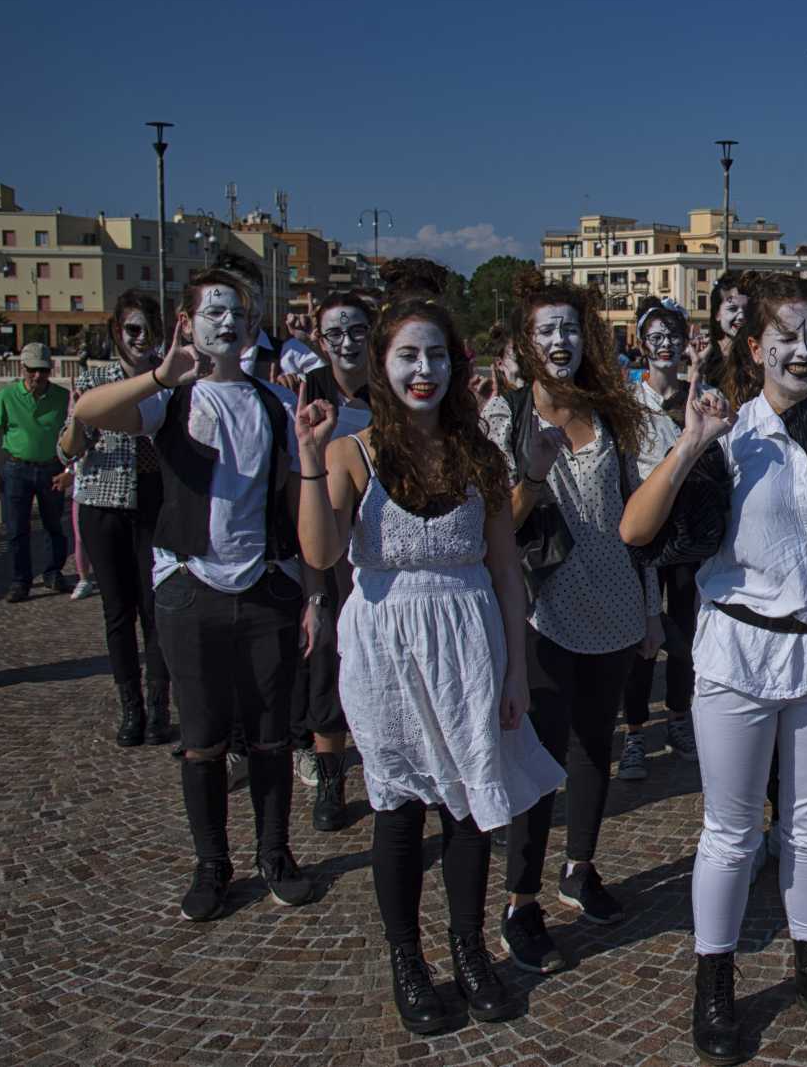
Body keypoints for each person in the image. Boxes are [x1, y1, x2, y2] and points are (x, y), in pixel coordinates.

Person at [621, 273, 807, 1063]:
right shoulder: (729, 434)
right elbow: (637, 530)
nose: (804, 351)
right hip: (740, 652)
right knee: (732, 833)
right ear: (756, 348)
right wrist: (689, 443)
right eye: (788, 338)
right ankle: (715, 984)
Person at [294, 295, 562, 1035]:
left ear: (456, 363)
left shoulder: (481, 455)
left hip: (470, 644)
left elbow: (507, 574)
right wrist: (311, 463)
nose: (424, 370)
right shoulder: (352, 451)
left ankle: (469, 948)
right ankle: (407, 957)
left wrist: (513, 672)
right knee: (401, 809)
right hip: (385, 650)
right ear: (383, 364)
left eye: (437, 355)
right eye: (408, 355)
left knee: (471, 805)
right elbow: (319, 555)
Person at [72, 258, 324, 921]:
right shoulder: (168, 399)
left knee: (271, 734)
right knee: (204, 738)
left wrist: (315, 593)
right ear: (186, 322)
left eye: (239, 314)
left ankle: (275, 853)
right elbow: (89, 412)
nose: (228, 323)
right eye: (213, 312)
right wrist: (158, 373)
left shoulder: (275, 404)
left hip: (267, 586)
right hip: (189, 586)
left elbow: (303, 502)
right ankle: (212, 863)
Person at [484, 273, 660, 972]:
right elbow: (497, 529)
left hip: (615, 605)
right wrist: (529, 473)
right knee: (537, 766)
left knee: (596, 747)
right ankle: (518, 904)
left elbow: (636, 522)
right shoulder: (506, 419)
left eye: (569, 329)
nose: (559, 342)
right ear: (525, 345)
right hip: (544, 614)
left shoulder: (612, 414)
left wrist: (649, 609)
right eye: (545, 330)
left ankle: (579, 867)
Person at [56, 295, 170, 745]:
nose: (140, 340)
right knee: (117, 610)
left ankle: (160, 705)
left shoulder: (169, 377)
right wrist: (82, 417)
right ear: (116, 332)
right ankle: (131, 708)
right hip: (104, 504)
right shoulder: (94, 380)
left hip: (156, 503)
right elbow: (67, 451)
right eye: (132, 330)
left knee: (155, 608)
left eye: (147, 330)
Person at [285, 291, 376, 833]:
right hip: (325, 547)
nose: (347, 343)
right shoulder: (305, 395)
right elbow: (298, 490)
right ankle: (331, 781)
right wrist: (315, 591)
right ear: (319, 341)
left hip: (381, 542)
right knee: (325, 662)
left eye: (357, 331)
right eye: (335, 334)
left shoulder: (388, 389)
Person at [618, 298, 699, 782]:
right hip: (643, 532)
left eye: (673, 335)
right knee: (642, 639)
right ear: (642, 342)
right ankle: (634, 732)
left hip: (687, 534)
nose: (665, 345)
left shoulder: (697, 394)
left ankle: (678, 717)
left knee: (686, 636)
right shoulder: (628, 402)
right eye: (657, 336)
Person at [0, 343, 72, 602]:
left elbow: (76, 433)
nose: (38, 376)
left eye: (43, 370)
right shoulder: (7, 396)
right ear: (22, 368)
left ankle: (53, 572)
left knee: (54, 525)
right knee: (16, 529)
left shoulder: (62, 397)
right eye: (33, 370)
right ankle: (20, 580)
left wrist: (69, 469)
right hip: (16, 469)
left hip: (51, 469)